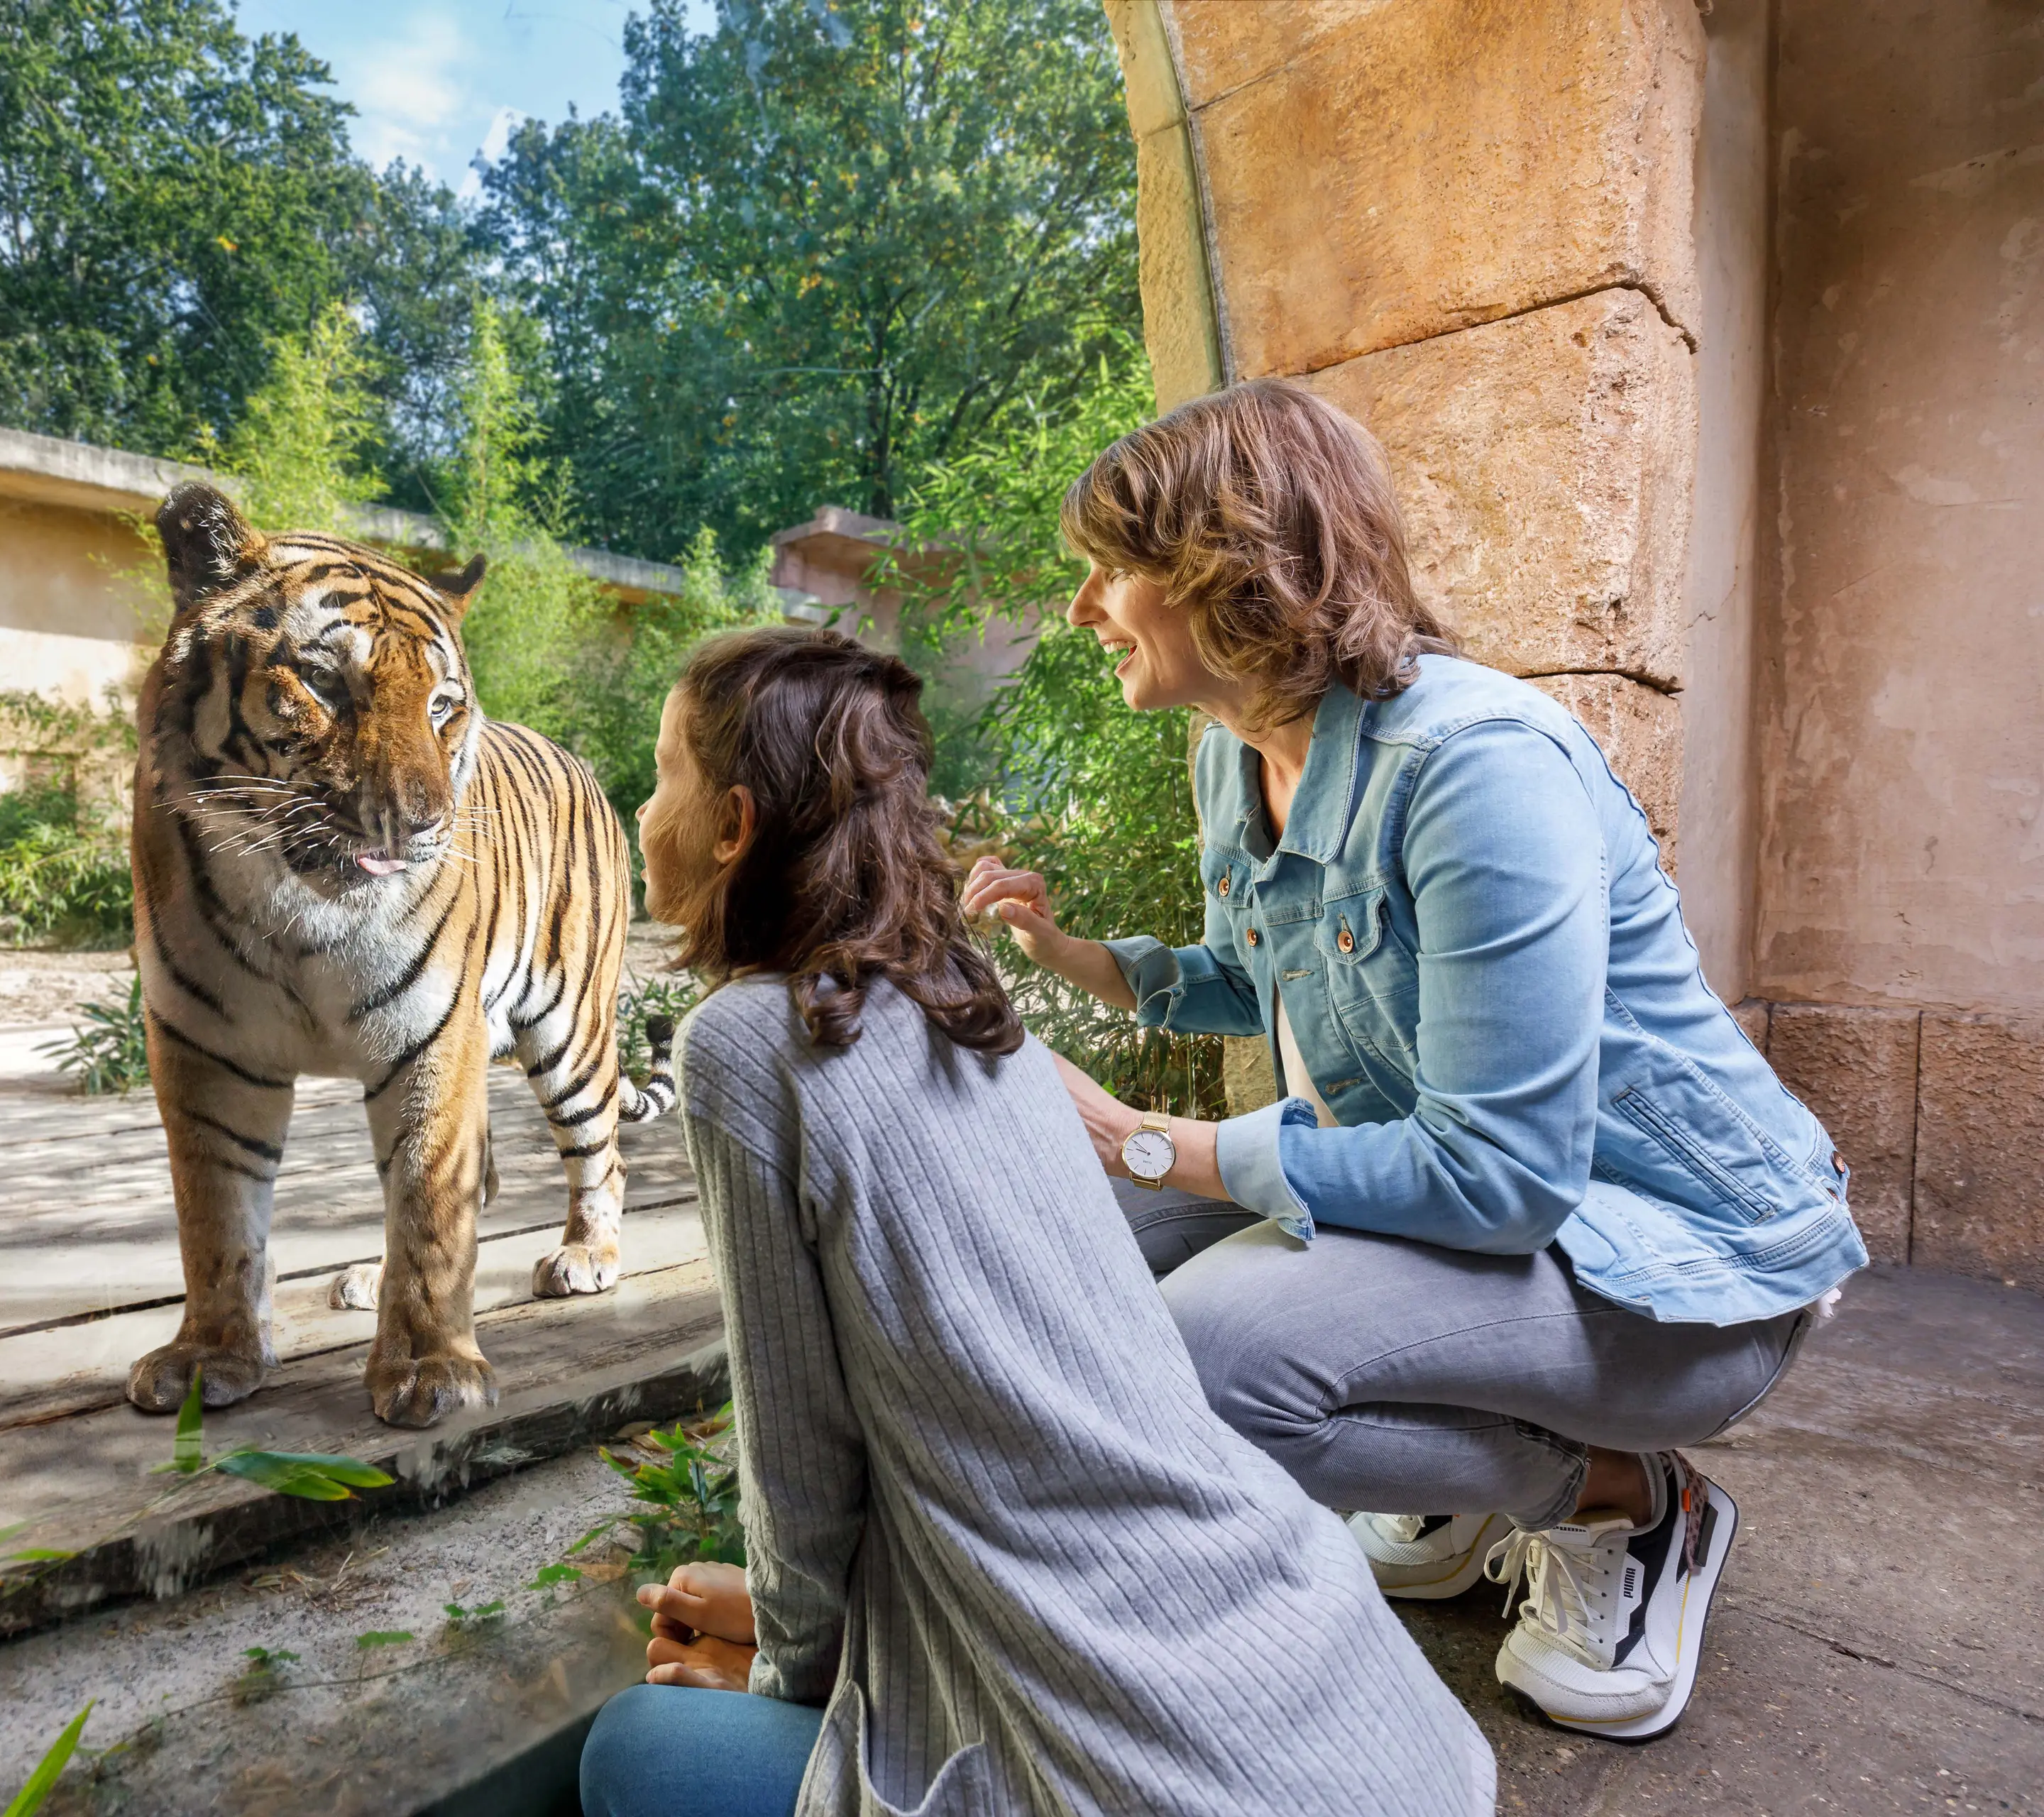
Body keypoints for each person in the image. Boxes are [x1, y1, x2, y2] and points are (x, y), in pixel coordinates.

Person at [962, 379, 1865, 1742]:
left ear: (1227, 568)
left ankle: (1628, 1499)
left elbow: (1502, 1175)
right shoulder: (1235, 755)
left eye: (1112, 571)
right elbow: (1273, 977)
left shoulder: (1474, 765)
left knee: (1213, 1355)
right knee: (1062, 1235)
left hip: (1682, 1270)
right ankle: (1457, 1480)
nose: (1083, 608)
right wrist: (1080, 958)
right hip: (1495, 1224)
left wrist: (1153, 1140)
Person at [578, 625, 1493, 1817]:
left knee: (637, 1748)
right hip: (1366, 1724)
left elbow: (802, 1460)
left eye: (661, 778)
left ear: (737, 826)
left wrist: (800, 1674)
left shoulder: (750, 1048)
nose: (643, 811)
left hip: (1170, 1777)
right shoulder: (964, 992)